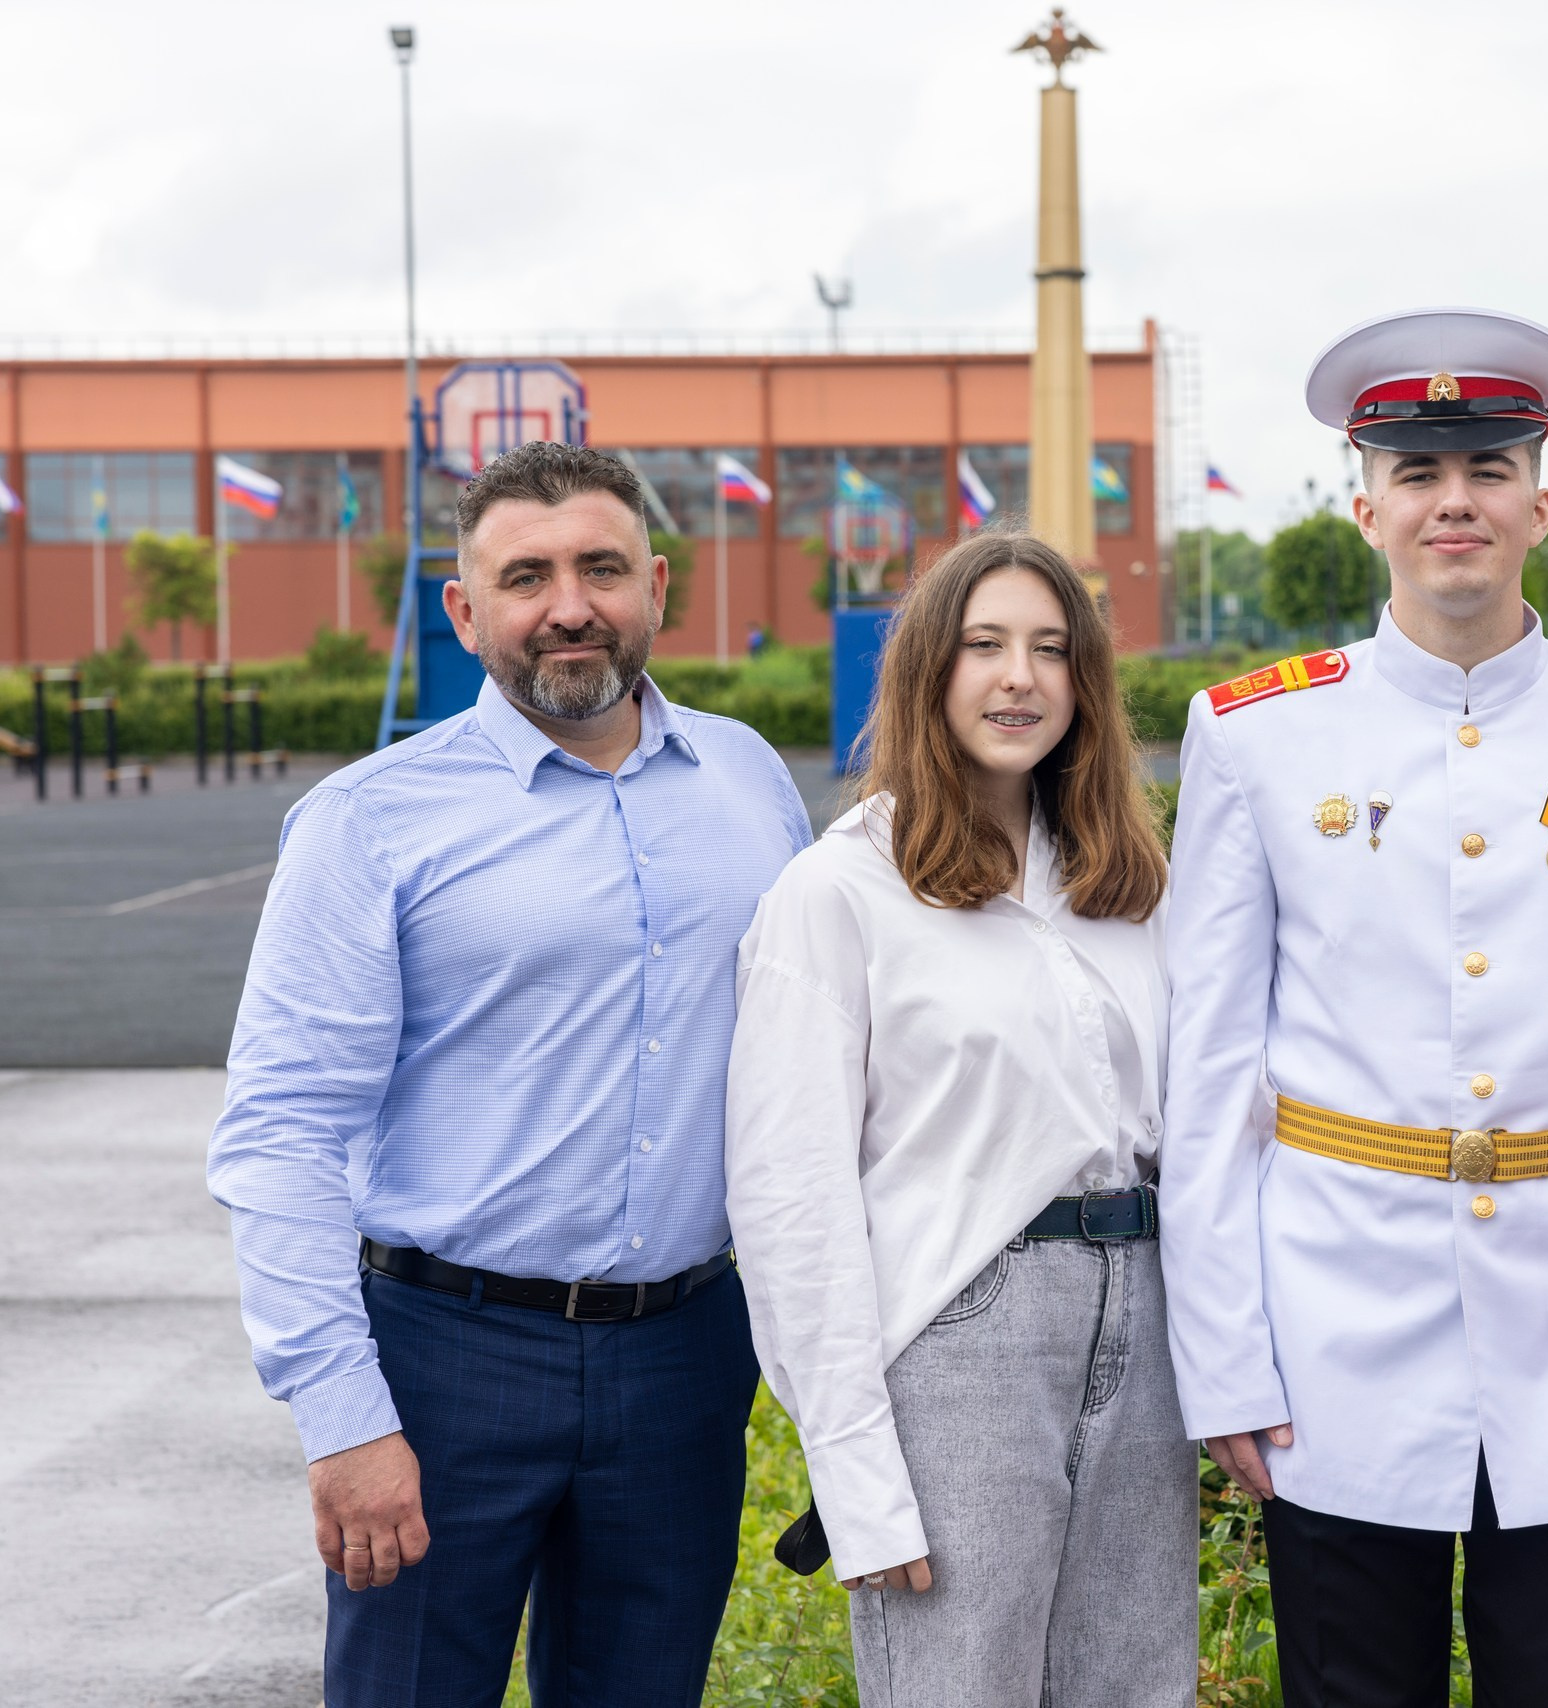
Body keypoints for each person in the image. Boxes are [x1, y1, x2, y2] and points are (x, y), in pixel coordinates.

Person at [1161, 307, 1548, 1708]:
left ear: (1541, 504)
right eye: (1419, 473)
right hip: (1334, 1325)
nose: (1455, 501)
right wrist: (1228, 1359)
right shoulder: (1257, 734)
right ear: (1363, 504)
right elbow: (1207, 1071)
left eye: (1489, 468)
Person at [206, 441, 811, 1707]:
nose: (569, 605)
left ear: (656, 583)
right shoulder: (370, 821)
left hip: (685, 1356)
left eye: (600, 567)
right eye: (525, 576)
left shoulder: (749, 784)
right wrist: (344, 1415)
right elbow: (280, 1133)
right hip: (442, 1361)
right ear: (465, 611)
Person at [723, 531, 1193, 1708]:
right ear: (929, 671)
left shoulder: (1128, 883)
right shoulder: (838, 892)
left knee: (1136, 1689)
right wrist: (857, 1480)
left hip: (1147, 1321)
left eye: (1050, 649)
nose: (1019, 677)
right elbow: (791, 1202)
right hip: (961, 1337)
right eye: (984, 645)